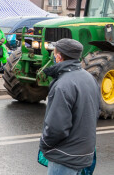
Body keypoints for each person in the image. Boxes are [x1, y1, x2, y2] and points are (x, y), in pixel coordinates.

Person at [39, 38, 101, 174]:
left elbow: (57, 127)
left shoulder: (63, 84)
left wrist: (44, 144)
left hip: (64, 158)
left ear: (59, 56)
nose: (54, 56)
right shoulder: (90, 78)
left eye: (55, 53)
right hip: (84, 154)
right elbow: (96, 111)